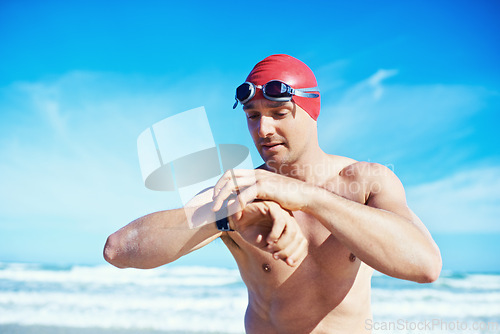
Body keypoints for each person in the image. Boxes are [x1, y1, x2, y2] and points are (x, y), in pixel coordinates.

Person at [104, 54, 442, 333]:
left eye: (279, 114)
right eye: (253, 116)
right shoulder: (239, 192)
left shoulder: (365, 181)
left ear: (312, 113)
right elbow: (119, 249)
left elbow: (425, 266)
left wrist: (308, 197)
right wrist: (225, 219)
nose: (263, 130)